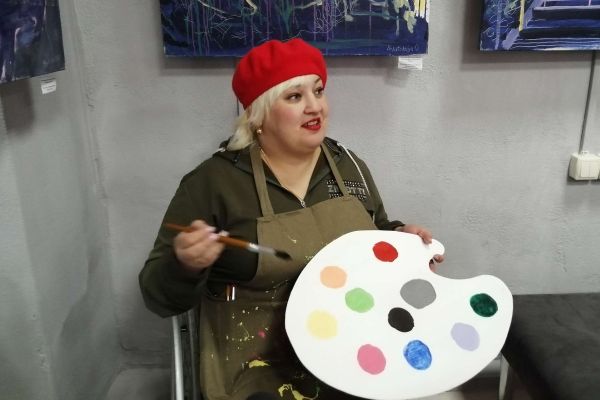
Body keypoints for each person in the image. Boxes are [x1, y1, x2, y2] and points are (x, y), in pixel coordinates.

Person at [139, 38, 443, 400]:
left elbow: (375, 232)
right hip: (256, 363)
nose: (315, 106)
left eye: (318, 90)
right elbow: (157, 296)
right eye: (295, 96)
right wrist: (185, 264)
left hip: (352, 348)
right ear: (258, 115)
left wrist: (400, 239)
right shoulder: (213, 183)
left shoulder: (349, 167)